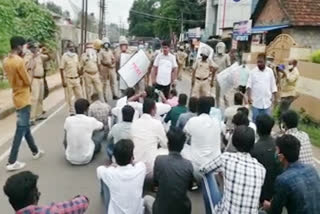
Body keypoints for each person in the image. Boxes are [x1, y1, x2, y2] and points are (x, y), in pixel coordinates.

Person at [201, 126, 266, 214]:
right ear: (252, 145)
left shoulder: (226, 158)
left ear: (234, 142)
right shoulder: (261, 169)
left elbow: (203, 169)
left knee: (207, 174)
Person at [3, 36, 44, 171]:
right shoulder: (19, 61)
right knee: (21, 129)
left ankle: (35, 151)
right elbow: (27, 81)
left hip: (16, 93)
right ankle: (12, 161)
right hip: (24, 95)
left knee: (25, 127)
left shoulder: (6, 60)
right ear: (20, 47)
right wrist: (30, 69)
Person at [263, 135, 320, 214]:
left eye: (276, 150)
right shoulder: (311, 169)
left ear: (281, 157)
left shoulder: (283, 180)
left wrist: (268, 206)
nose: (275, 152)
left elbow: (275, 211)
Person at [144, 128, 194, 214]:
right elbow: (190, 187)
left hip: (161, 210)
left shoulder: (159, 160)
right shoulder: (188, 165)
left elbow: (156, 183)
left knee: (146, 199)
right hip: (182, 210)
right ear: (182, 146)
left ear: (168, 144)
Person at [3, 171, 89, 214]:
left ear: (11, 203)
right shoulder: (51, 211)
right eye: (37, 192)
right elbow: (83, 202)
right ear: (35, 196)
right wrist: (80, 197)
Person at [97, 140, 146, 214]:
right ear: (132, 157)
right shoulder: (141, 168)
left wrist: (112, 166)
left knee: (104, 180)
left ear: (114, 158)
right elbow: (139, 163)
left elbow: (99, 169)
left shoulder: (110, 172)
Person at [183, 97, 221, 177]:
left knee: (183, 148)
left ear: (198, 108)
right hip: (214, 165)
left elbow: (183, 139)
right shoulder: (217, 122)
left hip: (197, 166)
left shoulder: (193, 121)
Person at [131, 98, 168, 175]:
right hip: (150, 169)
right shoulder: (157, 123)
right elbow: (165, 144)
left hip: (135, 164)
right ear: (152, 110)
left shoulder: (134, 123)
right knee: (167, 151)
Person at [250, 114, 281, 203]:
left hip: (260, 194)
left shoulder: (254, 149)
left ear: (257, 128)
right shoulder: (279, 144)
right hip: (276, 192)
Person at [64, 99, 103, 165]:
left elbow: (65, 135)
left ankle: (73, 150)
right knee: (99, 133)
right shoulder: (91, 120)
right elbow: (101, 126)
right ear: (86, 110)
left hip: (70, 158)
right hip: (86, 158)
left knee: (68, 132)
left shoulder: (68, 120)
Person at [247, 53, 277, 123]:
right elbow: (249, 85)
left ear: (265, 61)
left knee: (265, 123)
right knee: (255, 122)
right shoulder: (252, 72)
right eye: (258, 62)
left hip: (267, 103)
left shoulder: (270, 71)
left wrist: (275, 98)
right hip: (256, 103)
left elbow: (273, 85)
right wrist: (249, 97)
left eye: (261, 62)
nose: (259, 64)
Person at [26, 42, 50, 125]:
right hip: (34, 79)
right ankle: (31, 118)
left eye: (37, 47)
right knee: (34, 98)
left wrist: (46, 50)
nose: (36, 49)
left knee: (40, 97)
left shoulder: (40, 56)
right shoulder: (28, 57)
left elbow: (48, 58)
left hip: (41, 79)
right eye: (35, 47)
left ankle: (38, 114)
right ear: (31, 48)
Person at [60, 43, 83, 115]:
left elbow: (78, 68)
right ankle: (72, 111)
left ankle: (80, 109)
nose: (72, 48)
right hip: (68, 79)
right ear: (67, 48)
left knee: (80, 95)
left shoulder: (76, 56)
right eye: (70, 47)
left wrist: (81, 77)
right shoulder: (64, 56)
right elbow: (61, 68)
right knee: (69, 97)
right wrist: (63, 80)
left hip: (76, 78)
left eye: (73, 47)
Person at [214, 42, 231, 108]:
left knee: (225, 95)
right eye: (219, 47)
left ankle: (227, 108)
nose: (220, 49)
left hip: (224, 77)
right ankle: (217, 107)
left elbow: (229, 67)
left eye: (221, 47)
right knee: (217, 95)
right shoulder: (215, 57)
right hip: (217, 77)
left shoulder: (226, 56)